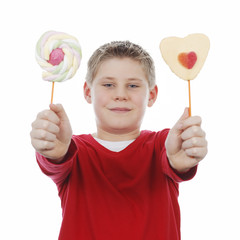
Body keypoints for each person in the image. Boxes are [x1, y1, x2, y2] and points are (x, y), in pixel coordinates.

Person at [30, 41, 208, 240]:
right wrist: (52, 151)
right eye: (108, 85)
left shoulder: (163, 145)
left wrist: (181, 160)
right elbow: (55, 162)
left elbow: (175, 161)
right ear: (88, 92)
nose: (121, 95)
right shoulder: (72, 151)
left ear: (151, 95)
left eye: (132, 85)